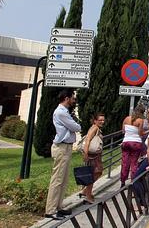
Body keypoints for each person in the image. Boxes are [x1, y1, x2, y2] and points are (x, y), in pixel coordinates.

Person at [45, 89, 81, 220]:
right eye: (72, 98)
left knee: (63, 179)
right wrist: (76, 124)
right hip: (61, 147)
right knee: (57, 179)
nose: (73, 100)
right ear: (66, 98)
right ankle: (50, 210)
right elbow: (76, 127)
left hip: (66, 147)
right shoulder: (61, 112)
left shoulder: (64, 112)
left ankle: (58, 207)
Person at [81, 113, 105, 204]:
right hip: (92, 156)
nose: (102, 122)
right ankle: (88, 196)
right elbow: (87, 140)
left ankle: (86, 191)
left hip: (95, 156)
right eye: (100, 120)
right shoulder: (94, 128)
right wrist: (85, 154)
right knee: (94, 173)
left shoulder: (96, 128)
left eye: (103, 120)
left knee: (97, 172)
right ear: (95, 121)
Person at [120, 106, 145, 186]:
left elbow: (123, 130)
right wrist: (148, 131)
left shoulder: (126, 118)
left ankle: (123, 181)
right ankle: (133, 181)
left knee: (125, 162)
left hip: (126, 142)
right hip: (136, 143)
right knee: (134, 163)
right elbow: (140, 133)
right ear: (141, 113)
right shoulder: (140, 120)